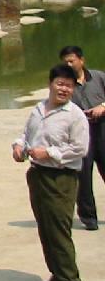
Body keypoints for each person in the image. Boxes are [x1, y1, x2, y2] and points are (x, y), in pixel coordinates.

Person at [11, 64, 89, 281]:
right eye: (60, 83)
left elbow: (80, 149)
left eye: (69, 85)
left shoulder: (74, 115)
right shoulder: (38, 109)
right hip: (38, 175)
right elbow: (26, 134)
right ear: (50, 84)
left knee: (59, 231)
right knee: (45, 228)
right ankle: (57, 274)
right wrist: (18, 146)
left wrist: (49, 153)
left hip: (61, 178)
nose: (64, 89)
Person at [59, 45, 105, 230]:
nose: (69, 65)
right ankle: (89, 218)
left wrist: (103, 107)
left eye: (71, 61)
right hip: (80, 134)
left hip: (102, 129)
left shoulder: (99, 77)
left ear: (81, 60)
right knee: (83, 177)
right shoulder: (64, 85)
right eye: (65, 62)